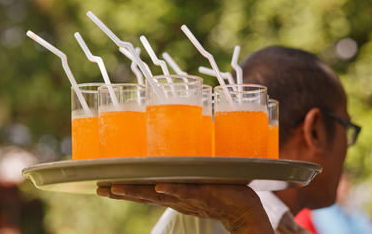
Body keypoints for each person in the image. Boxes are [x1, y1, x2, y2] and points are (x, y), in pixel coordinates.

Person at [97, 46, 361, 233]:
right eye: (346, 127)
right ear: (314, 130)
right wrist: (245, 219)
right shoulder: (201, 223)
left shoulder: (282, 226)